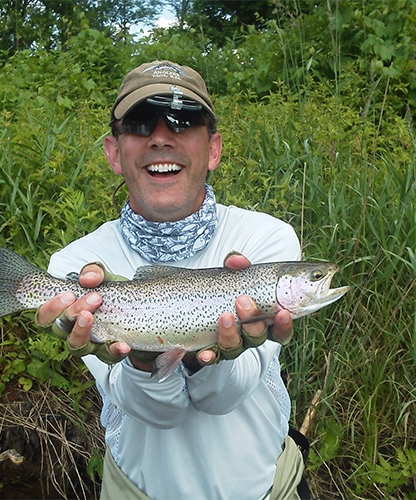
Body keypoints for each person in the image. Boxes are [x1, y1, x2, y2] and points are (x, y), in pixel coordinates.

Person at [35, 61, 309, 499]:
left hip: (268, 487)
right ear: (113, 152)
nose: (161, 137)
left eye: (183, 122)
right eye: (141, 124)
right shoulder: (77, 265)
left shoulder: (267, 239)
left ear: (214, 149)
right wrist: (143, 362)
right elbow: (158, 415)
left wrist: (211, 356)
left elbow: (222, 399)